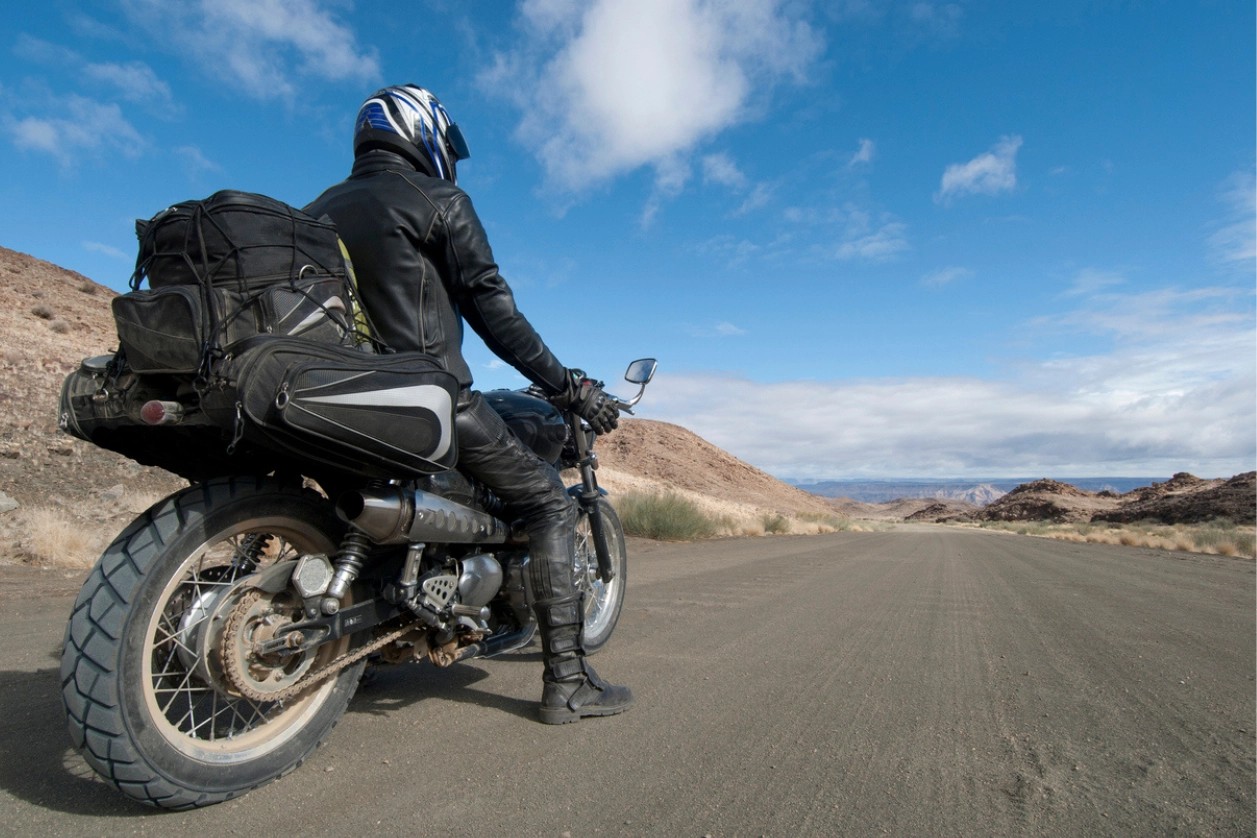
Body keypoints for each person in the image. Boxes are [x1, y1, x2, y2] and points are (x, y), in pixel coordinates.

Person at [305, 84, 632, 725]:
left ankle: (366, 645)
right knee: (545, 500)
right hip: (427, 398)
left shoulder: (312, 212)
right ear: (421, 132)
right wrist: (568, 386)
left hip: (332, 398)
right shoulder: (438, 200)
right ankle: (567, 683)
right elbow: (494, 311)